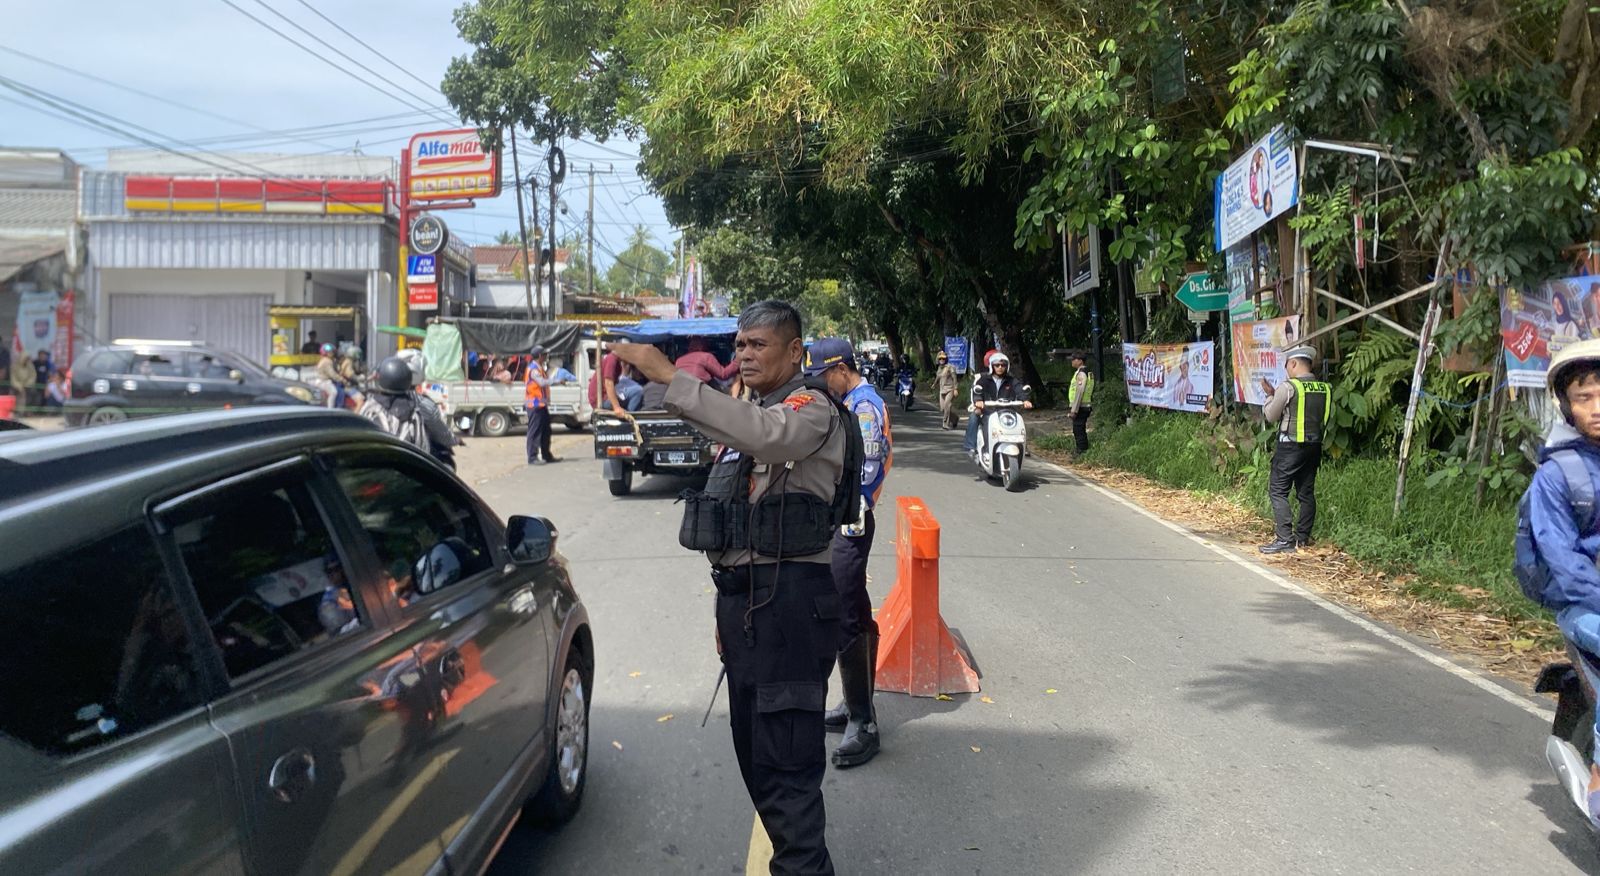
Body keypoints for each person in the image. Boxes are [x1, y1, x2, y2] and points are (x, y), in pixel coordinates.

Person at [608, 300, 857, 874]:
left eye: (758, 345)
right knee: (759, 765)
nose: (744, 354)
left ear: (795, 351)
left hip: (790, 607)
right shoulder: (753, 410)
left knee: (786, 775)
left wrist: (671, 376)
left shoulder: (808, 408)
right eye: (740, 345)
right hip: (749, 609)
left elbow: (767, 437)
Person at [1525, 339, 1600, 831]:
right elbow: (1564, 562)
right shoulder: (1558, 477)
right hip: (1585, 604)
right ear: (1566, 406)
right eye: (1584, 397)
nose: (1597, 408)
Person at [807, 338, 891, 768]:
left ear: (841, 369)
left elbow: (867, 472)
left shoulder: (864, 408)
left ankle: (864, 723)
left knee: (845, 614)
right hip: (841, 521)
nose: (823, 384)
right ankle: (855, 704)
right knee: (852, 608)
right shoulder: (849, 403)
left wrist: (838, 512)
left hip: (850, 522)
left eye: (825, 375)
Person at [1258, 345, 1329, 554]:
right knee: (1306, 492)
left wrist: (1269, 396)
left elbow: (1271, 415)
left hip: (1290, 447)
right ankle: (1302, 538)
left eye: (1287, 366)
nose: (1287, 370)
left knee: (1278, 490)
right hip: (1314, 446)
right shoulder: (1324, 388)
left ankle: (1284, 539)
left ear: (1294, 363)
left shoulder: (1289, 387)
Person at [359, 358, 456, 465]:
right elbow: (434, 433)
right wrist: (453, 440)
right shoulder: (417, 409)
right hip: (410, 468)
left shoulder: (368, 406)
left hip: (373, 465)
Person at [972, 353, 1033, 457]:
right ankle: (987, 449)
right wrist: (978, 400)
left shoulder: (1011, 380)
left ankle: (1022, 446)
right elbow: (978, 390)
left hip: (1007, 410)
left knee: (1018, 420)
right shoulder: (984, 379)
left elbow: (1019, 389)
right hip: (990, 410)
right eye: (997, 365)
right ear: (992, 366)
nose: (1000, 367)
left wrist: (1025, 400)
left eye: (1003, 365)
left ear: (1007, 367)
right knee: (986, 422)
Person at [525, 346, 560, 465]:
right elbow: (542, 383)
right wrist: (556, 380)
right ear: (540, 356)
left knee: (546, 431)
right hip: (534, 405)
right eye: (544, 354)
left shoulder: (539, 368)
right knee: (534, 432)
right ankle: (532, 457)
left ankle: (546, 455)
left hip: (541, 404)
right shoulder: (533, 369)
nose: (546, 357)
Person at [589, 348, 643, 415]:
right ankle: (629, 415)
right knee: (638, 391)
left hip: (604, 398)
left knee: (634, 391)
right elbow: (608, 383)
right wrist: (616, 407)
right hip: (601, 400)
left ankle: (628, 414)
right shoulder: (611, 359)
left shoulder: (617, 363)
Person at [675, 336, 740, 386]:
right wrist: (738, 360)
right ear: (703, 345)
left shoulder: (679, 360)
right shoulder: (705, 356)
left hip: (681, 390)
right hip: (698, 390)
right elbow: (723, 374)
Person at [1069, 352, 1095, 454]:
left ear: (1080, 361)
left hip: (1081, 406)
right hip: (1086, 405)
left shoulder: (1081, 373)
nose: (1072, 361)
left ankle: (1081, 450)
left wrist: (1074, 410)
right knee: (1080, 428)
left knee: (1078, 429)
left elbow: (1079, 392)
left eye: (1074, 359)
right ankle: (1082, 449)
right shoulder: (1089, 372)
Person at [315, 343, 344, 409]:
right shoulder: (327, 361)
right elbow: (332, 374)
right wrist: (342, 379)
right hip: (324, 381)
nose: (332, 354)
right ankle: (330, 409)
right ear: (325, 353)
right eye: (330, 352)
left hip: (324, 381)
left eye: (332, 352)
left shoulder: (325, 360)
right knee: (333, 392)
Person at [935, 350, 959, 429]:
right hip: (942, 390)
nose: (942, 360)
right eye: (940, 358)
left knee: (947, 406)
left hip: (950, 389)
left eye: (943, 358)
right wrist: (934, 384)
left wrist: (955, 389)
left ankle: (945, 424)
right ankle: (955, 419)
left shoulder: (950, 367)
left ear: (946, 359)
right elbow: (938, 377)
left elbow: (954, 378)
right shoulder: (939, 368)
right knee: (942, 409)